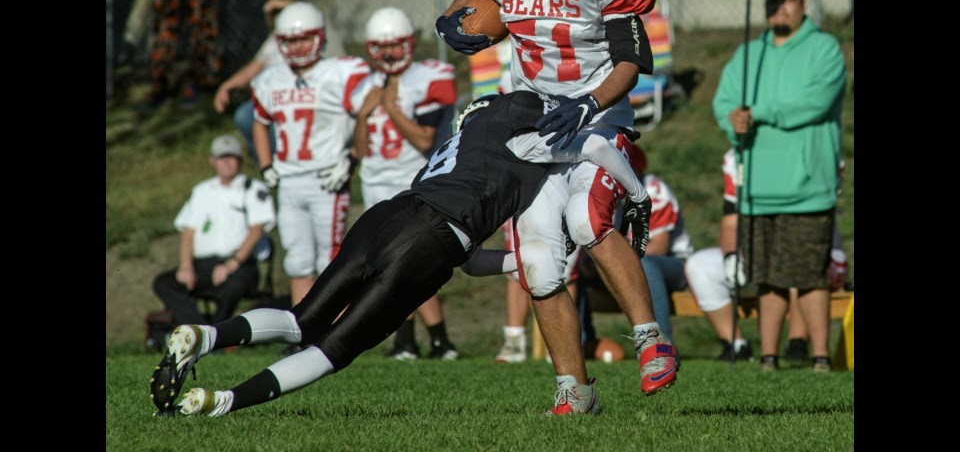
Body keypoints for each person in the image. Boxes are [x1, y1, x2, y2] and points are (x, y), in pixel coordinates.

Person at [151, 90, 646, 417]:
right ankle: (223, 401)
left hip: (388, 215)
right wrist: (639, 196)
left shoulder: (455, 146)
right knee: (332, 349)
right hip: (430, 240)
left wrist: (519, 263)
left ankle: (206, 334)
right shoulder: (520, 132)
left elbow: (472, 262)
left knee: (303, 318)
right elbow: (600, 151)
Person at [436, 0, 678, 412]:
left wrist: (590, 103)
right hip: (532, 118)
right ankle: (574, 388)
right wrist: (451, 22)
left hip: (596, 115)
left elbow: (631, 62)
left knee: (586, 221)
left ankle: (650, 340)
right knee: (539, 261)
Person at [711, 0, 846, 372]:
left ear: (803, 4)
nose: (778, 8)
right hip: (758, 187)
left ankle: (820, 358)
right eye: (771, 2)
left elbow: (815, 102)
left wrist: (760, 113)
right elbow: (724, 103)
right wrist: (732, 118)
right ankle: (768, 358)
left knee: (808, 276)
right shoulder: (747, 55)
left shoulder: (825, 50)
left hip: (807, 186)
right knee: (766, 278)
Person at [350, 7, 460, 361]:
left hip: (415, 181)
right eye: (381, 47)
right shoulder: (363, 86)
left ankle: (436, 341)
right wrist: (366, 114)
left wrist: (389, 106)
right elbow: (360, 149)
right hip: (376, 184)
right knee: (390, 267)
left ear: (409, 44)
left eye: (395, 46)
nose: (388, 55)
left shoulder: (429, 77)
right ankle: (410, 343)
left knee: (413, 264)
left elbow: (425, 140)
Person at [250, 1, 369, 306]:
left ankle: (332, 333)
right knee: (297, 259)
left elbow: (366, 115)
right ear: (279, 42)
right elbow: (259, 124)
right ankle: (303, 331)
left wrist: (351, 158)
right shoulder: (270, 79)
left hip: (325, 179)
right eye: (290, 40)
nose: (298, 47)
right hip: (289, 181)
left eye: (304, 38)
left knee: (329, 259)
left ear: (320, 37)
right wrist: (265, 165)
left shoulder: (341, 71)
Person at [685, 149, 849, 362]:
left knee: (797, 261)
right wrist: (731, 257)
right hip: (761, 247)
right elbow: (731, 222)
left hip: (814, 246)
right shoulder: (738, 157)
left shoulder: (814, 146)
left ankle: (798, 342)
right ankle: (737, 345)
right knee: (700, 266)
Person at [152, 134, 276, 326]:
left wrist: (231, 264)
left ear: (240, 161)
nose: (226, 163)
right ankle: (200, 329)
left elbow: (256, 230)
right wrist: (186, 266)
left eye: (231, 157)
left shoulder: (252, 188)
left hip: (240, 265)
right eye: (221, 158)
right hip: (203, 266)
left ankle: (217, 333)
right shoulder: (201, 191)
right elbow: (188, 232)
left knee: (234, 287)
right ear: (213, 161)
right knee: (164, 283)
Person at [578, 145, 693, 344]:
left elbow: (658, 247)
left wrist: (616, 262)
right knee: (572, 269)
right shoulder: (602, 192)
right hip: (622, 262)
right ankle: (582, 342)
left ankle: (660, 342)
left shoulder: (653, 190)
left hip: (671, 263)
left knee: (645, 265)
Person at [213, 0, 300, 159]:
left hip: (294, 95)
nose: (276, 17)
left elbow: (303, 11)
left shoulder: (305, 35)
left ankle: (283, 160)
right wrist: (226, 86)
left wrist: (283, 5)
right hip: (271, 96)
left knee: (277, 123)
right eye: (273, 14)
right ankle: (265, 163)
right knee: (245, 116)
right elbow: (251, 70)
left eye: (281, 12)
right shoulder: (272, 41)